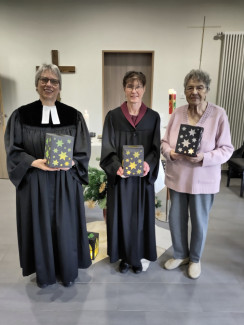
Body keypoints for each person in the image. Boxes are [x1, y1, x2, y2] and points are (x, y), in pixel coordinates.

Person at [4, 64, 92, 288]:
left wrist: (71, 162)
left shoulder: (73, 116)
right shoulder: (21, 115)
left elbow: (82, 150)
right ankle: (44, 272)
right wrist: (34, 162)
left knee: (66, 226)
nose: (48, 84)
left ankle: (68, 270)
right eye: (44, 80)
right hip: (35, 182)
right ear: (36, 85)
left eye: (53, 81)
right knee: (39, 226)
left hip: (65, 182)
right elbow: (13, 149)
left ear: (60, 86)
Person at [161, 69, 234, 279]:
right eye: (190, 87)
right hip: (178, 178)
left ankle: (195, 258)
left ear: (207, 90)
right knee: (176, 219)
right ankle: (180, 254)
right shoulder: (178, 113)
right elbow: (164, 142)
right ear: (185, 91)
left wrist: (204, 157)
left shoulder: (219, 114)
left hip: (203, 180)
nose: (194, 91)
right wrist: (170, 153)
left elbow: (227, 149)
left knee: (199, 221)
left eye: (199, 87)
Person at [100, 71, 160, 274]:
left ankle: (137, 257)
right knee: (121, 218)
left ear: (144, 89)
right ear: (124, 89)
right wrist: (116, 166)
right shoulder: (113, 116)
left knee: (141, 218)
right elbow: (107, 147)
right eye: (129, 86)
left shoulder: (153, 117)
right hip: (121, 180)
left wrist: (148, 165)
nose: (134, 91)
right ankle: (124, 258)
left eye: (138, 86)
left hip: (141, 181)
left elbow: (155, 149)